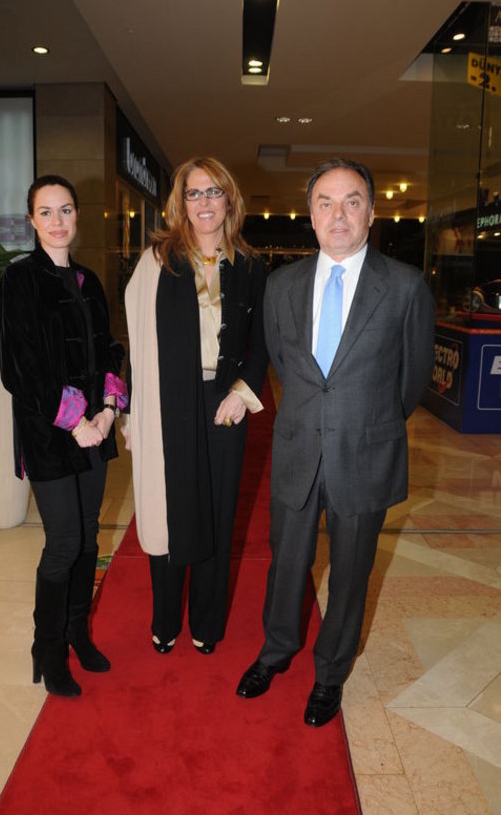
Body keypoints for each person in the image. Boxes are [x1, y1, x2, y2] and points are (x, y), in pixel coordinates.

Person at [236, 158, 435, 726]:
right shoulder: (281, 285)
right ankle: (276, 651)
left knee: (350, 572)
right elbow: (283, 364)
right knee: (286, 562)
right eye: (326, 203)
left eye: (352, 202)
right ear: (311, 214)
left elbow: (412, 379)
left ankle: (330, 673)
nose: (339, 214)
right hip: (298, 448)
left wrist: (367, 421)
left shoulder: (405, 286)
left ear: (371, 213)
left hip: (365, 452)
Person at [122, 156, 268, 656]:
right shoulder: (158, 261)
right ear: (180, 203)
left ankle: (207, 621)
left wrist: (242, 393)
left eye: (213, 191)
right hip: (169, 401)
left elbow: (261, 341)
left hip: (225, 401)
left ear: (229, 199)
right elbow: (138, 342)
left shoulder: (251, 266)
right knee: (169, 510)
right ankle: (165, 619)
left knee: (217, 514)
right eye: (194, 193)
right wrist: (130, 412)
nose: (204, 202)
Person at [0, 174, 127, 698]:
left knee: (90, 537)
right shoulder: (20, 280)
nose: (57, 221)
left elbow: (109, 349)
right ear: (32, 220)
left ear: (77, 215)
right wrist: (76, 421)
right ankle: (47, 648)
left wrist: (110, 409)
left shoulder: (89, 281)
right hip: (50, 434)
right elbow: (19, 369)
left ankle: (77, 632)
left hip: (95, 429)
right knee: (65, 541)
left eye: (66, 210)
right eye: (46, 212)